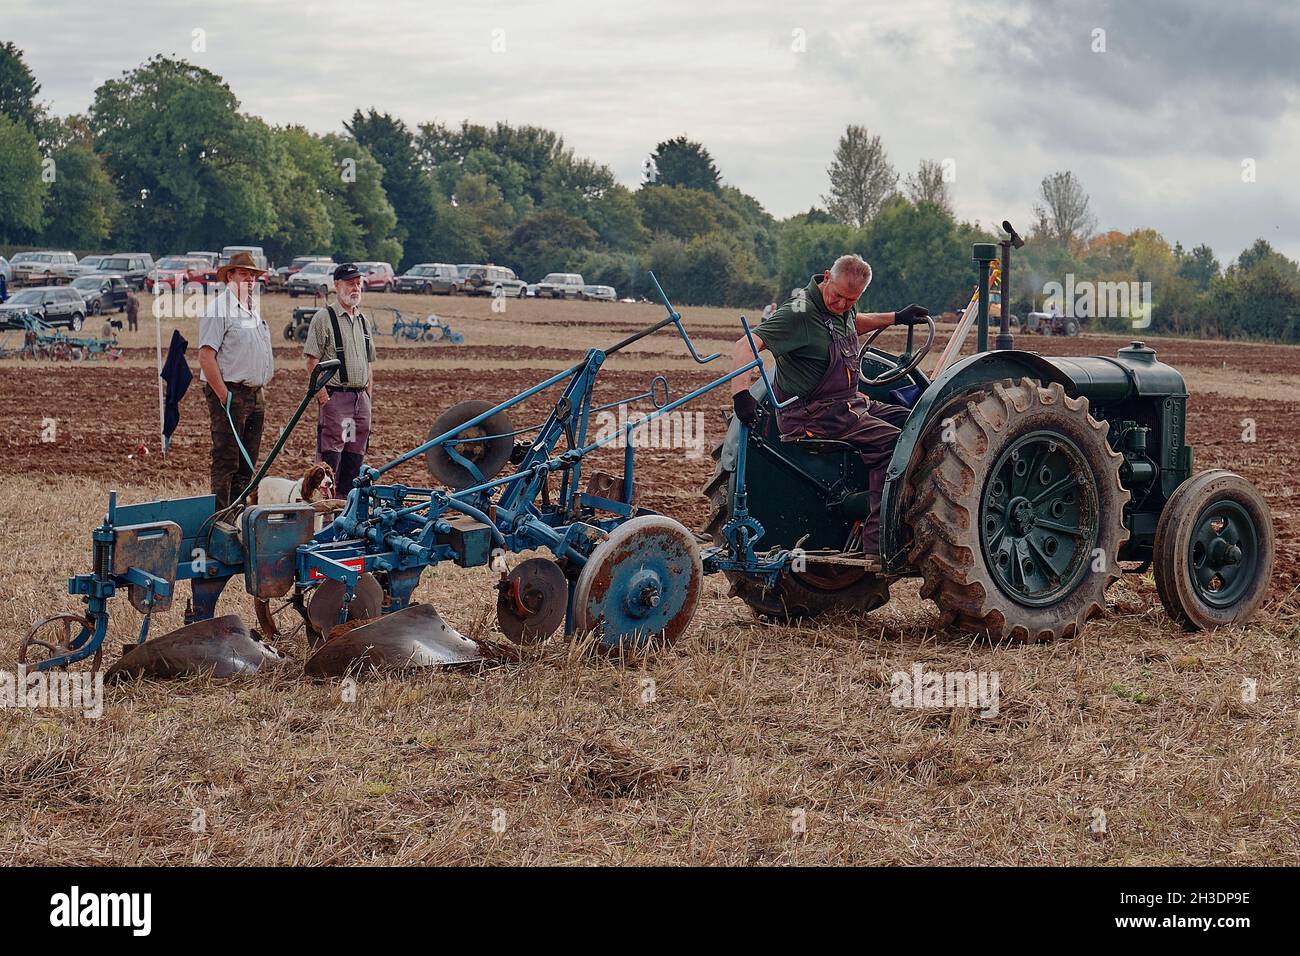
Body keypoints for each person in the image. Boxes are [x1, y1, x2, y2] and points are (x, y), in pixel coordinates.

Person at [729, 254, 929, 564]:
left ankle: (900, 509)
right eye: (837, 296)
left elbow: (852, 323)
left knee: (916, 422)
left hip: (849, 404)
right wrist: (741, 393)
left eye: (852, 300)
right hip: (814, 414)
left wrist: (896, 317)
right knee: (896, 445)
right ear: (826, 277)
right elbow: (747, 343)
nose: (842, 305)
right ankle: (879, 543)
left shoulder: (842, 309)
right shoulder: (799, 312)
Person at [198, 251, 274, 512]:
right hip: (230, 391)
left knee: (247, 463)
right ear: (230, 276)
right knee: (226, 461)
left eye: (253, 275)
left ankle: (238, 515)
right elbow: (206, 355)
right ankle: (219, 520)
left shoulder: (253, 309)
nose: (250, 280)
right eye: (244, 274)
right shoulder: (219, 309)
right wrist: (222, 394)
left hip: (255, 394)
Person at [304, 263, 376, 497]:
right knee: (330, 458)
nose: (355, 288)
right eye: (350, 283)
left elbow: (368, 362)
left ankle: (345, 510)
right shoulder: (324, 318)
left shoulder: (363, 321)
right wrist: (323, 396)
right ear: (337, 286)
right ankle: (325, 516)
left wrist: (367, 397)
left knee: (354, 455)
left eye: (358, 283)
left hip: (359, 401)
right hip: (336, 400)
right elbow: (312, 360)